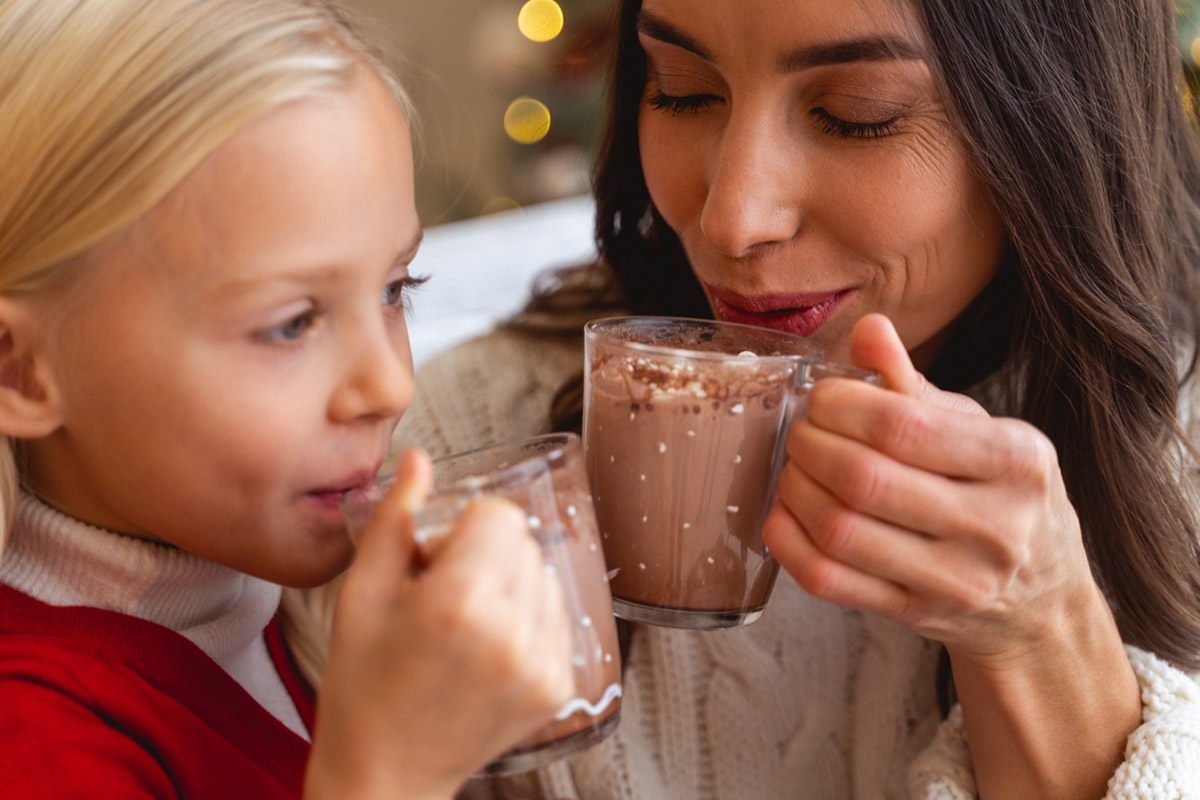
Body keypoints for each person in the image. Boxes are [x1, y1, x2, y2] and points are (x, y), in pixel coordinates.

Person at [392, 0, 1200, 797]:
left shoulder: (1183, 451)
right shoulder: (457, 445)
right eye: (681, 89)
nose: (733, 219)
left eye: (857, 116)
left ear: (1055, 123)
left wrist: (1043, 634)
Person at [0, 1, 576, 797]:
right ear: (19, 372)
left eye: (394, 288)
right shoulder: (34, 747)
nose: (390, 384)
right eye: (292, 323)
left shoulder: (249, 581)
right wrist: (387, 773)